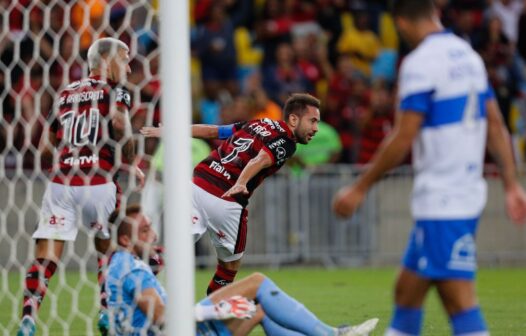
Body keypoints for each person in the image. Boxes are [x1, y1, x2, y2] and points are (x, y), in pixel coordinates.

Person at [332, 1, 526, 335]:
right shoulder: (468, 55)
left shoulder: (419, 63)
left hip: (444, 201)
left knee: (460, 302)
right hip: (461, 193)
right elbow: (495, 124)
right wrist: (511, 184)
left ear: (401, 23)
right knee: (406, 292)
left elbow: (404, 134)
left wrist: (359, 187)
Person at [17, 37, 145, 336]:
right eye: (124, 59)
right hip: (99, 182)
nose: (128, 66)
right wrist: (128, 158)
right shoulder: (115, 91)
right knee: (109, 251)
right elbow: (118, 124)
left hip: (61, 182)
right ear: (106, 59)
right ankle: (105, 311)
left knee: (46, 255)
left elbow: (46, 146)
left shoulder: (65, 93)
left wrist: (65, 162)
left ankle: (28, 318)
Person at [141, 93, 321, 295]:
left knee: (172, 252)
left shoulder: (257, 123)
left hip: (197, 185)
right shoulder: (287, 142)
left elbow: (214, 131)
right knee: (229, 268)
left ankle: (136, 278)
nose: (315, 128)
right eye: (312, 121)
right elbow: (261, 159)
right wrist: (242, 182)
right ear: (294, 119)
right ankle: (213, 314)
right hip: (226, 198)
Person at [106, 204, 379, 336]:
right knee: (257, 282)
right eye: (144, 230)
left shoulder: (119, 267)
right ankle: (332, 335)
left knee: (260, 309)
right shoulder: (132, 270)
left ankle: (328, 333)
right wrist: (213, 310)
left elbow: (111, 316)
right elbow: (163, 317)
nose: (153, 235)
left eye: (151, 227)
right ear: (125, 240)